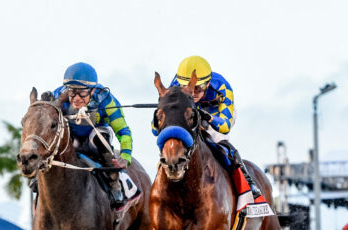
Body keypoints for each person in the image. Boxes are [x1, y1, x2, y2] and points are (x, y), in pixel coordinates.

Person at [153, 56, 266, 210]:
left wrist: (208, 118)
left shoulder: (222, 87)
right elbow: (157, 126)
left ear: (207, 84)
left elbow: (225, 125)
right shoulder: (174, 86)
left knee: (219, 140)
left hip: (216, 117)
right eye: (187, 87)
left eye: (197, 88)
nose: (192, 92)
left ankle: (248, 184)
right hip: (190, 115)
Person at [42, 62, 133, 207]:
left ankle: (113, 181)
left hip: (95, 139)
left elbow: (123, 131)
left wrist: (126, 155)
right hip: (70, 139)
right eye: (72, 92)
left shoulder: (106, 100)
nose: (76, 98)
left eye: (82, 93)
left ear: (92, 90)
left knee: (100, 136)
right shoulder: (58, 95)